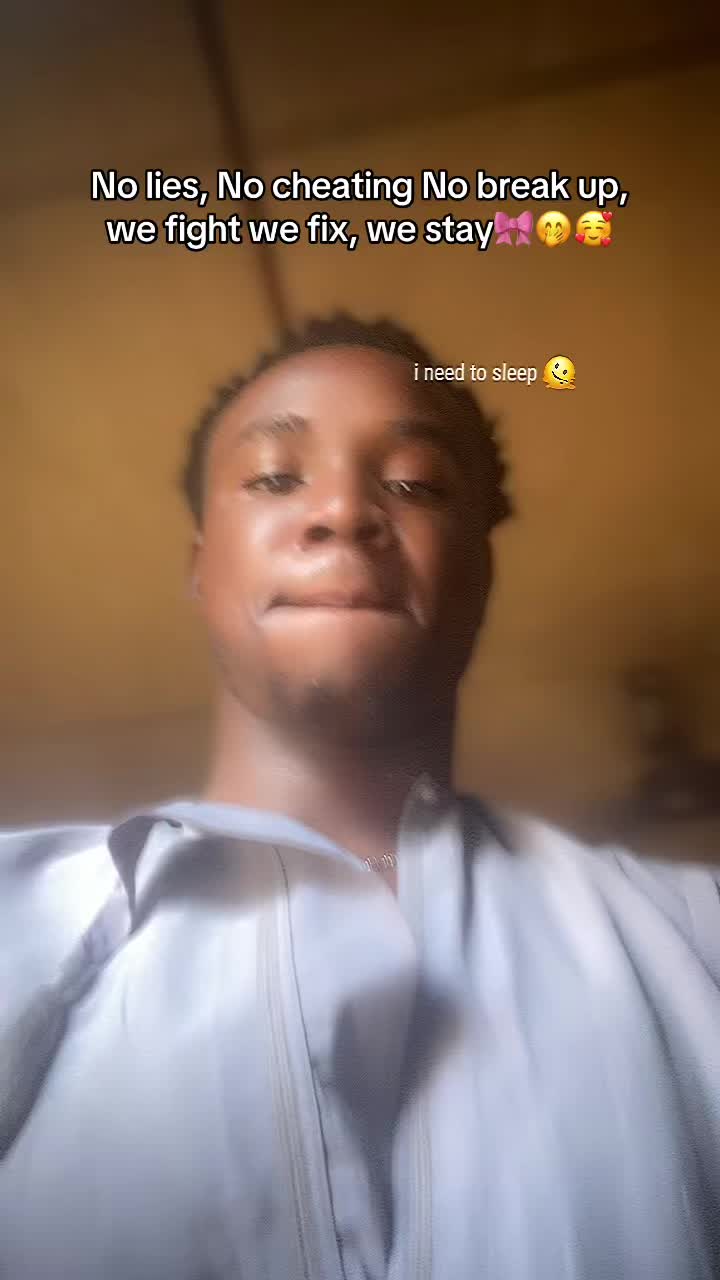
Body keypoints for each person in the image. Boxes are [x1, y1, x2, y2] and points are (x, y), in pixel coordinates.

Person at [1, 314, 719, 1280]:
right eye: (275, 477)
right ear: (199, 566)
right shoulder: (17, 923)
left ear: (480, 571)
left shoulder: (695, 937)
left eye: (415, 483)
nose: (343, 512)